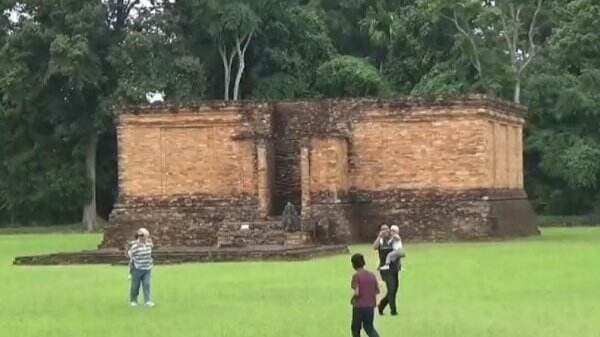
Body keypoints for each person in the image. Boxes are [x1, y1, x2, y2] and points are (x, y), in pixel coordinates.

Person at [373, 224, 402, 316]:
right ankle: (393, 311)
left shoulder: (392, 239)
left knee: (394, 289)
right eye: (383, 230)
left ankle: (381, 306)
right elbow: (374, 247)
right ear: (381, 231)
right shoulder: (380, 241)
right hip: (384, 269)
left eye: (387, 230)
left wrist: (394, 235)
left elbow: (398, 239)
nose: (386, 231)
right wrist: (379, 236)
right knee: (392, 288)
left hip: (394, 267)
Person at [350, 253, 381, 337]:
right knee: (369, 328)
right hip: (370, 306)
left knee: (355, 328)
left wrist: (352, 299)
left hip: (359, 306)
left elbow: (357, 292)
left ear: (353, 264)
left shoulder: (356, 276)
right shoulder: (372, 275)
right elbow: (377, 291)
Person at [128, 228, 155, 307]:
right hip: (137, 268)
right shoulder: (135, 246)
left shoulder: (148, 244)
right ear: (140, 237)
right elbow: (130, 256)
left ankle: (148, 301)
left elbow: (152, 245)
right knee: (135, 286)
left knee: (147, 284)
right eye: (145, 237)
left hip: (147, 268)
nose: (147, 238)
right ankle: (133, 300)